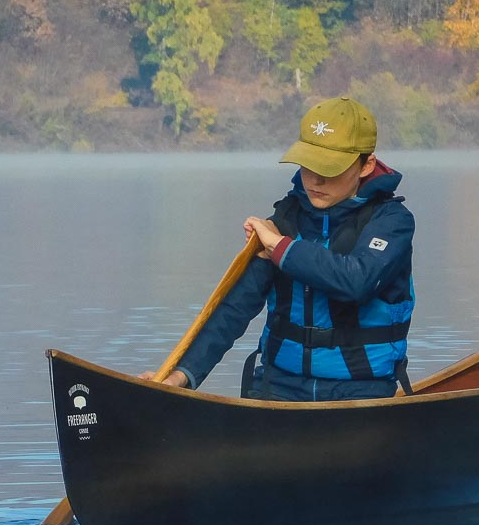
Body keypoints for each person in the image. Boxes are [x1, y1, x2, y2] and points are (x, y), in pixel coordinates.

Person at [145, 95, 415, 402]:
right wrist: (179, 377)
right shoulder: (285, 219)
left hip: (360, 393)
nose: (316, 179)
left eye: (331, 168)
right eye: (309, 165)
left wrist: (280, 247)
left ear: (366, 164)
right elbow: (234, 310)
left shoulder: (392, 222)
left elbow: (356, 281)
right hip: (277, 389)